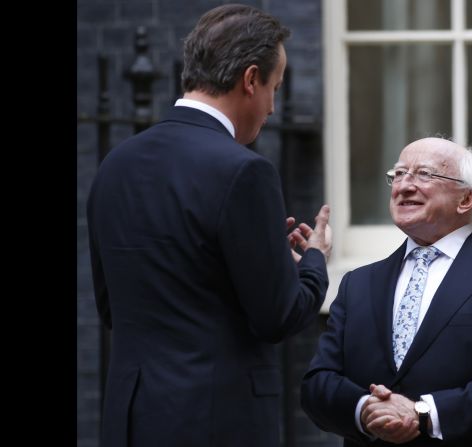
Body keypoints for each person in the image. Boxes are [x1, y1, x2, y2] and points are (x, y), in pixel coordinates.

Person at [86, 4, 332, 446]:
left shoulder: (114, 166)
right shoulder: (244, 171)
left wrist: (257, 254)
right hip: (217, 422)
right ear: (251, 79)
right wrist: (312, 260)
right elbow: (278, 317)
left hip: (130, 420)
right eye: (275, 88)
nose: (274, 107)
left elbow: (113, 309)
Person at [301, 137, 472, 446]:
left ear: (466, 199)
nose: (404, 185)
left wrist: (424, 414)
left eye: (424, 175)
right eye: (399, 174)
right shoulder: (358, 284)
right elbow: (317, 385)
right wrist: (365, 409)